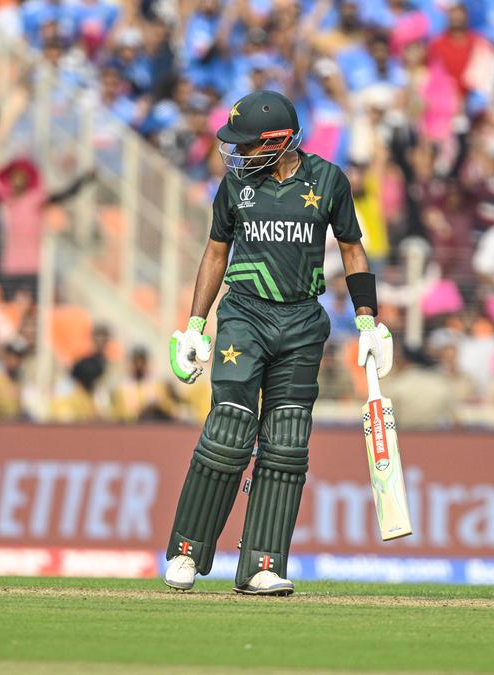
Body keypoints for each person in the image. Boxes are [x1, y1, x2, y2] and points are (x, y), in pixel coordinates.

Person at [164, 90, 392, 596]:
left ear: (279, 140)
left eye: (246, 145)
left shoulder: (328, 181)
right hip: (244, 316)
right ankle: (186, 552)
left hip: (303, 323)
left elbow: (353, 248)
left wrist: (368, 320)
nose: (237, 153)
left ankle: (261, 564)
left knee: (286, 444)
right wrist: (195, 326)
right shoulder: (236, 185)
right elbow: (215, 252)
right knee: (228, 431)